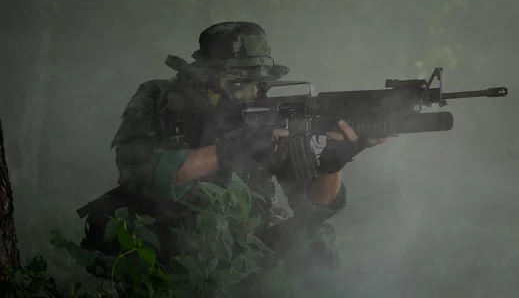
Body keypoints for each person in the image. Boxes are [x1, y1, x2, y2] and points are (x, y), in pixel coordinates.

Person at [78, 21, 386, 295]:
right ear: (204, 80)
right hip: (166, 238)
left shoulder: (271, 116)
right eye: (239, 82)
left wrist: (334, 163)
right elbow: (145, 177)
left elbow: (312, 209)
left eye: (260, 82)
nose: (253, 92)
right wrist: (236, 148)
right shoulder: (163, 102)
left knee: (316, 238)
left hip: (243, 238)